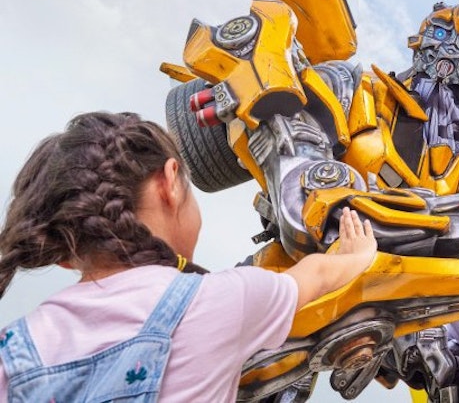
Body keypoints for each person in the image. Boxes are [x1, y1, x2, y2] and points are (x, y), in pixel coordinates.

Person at [0, 111, 377, 402]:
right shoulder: (221, 301)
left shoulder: (16, 344)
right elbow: (318, 275)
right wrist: (356, 254)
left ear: (64, 257)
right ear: (169, 182)